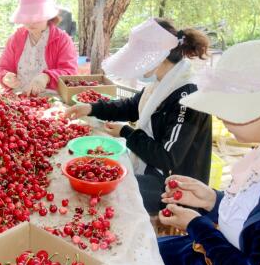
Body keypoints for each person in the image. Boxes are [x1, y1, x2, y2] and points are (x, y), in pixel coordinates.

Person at [158, 40, 260, 265]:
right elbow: (252, 224)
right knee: (140, 254)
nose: (218, 115)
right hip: (211, 263)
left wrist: (197, 225)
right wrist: (211, 201)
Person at [65, 18, 212, 214]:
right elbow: (130, 106)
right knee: (95, 177)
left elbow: (168, 158)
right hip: (151, 166)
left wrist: (127, 132)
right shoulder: (161, 83)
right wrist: (91, 108)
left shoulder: (188, 96)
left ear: (159, 56)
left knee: (108, 192)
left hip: (174, 186)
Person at [0, 0, 77, 96]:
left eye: (36, 17)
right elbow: (3, 68)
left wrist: (46, 77)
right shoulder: (16, 38)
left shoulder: (62, 40)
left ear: (47, 16)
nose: (31, 22)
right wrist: (5, 77)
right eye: (27, 17)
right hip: (17, 98)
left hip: (50, 98)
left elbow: (70, 72)